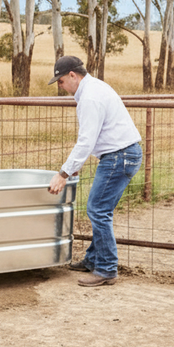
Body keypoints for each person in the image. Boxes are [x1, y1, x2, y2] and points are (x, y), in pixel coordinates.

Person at [47, 55, 142, 287]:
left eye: (60, 81)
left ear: (72, 75)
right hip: (124, 154)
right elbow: (94, 137)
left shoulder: (89, 97)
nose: (60, 87)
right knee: (101, 208)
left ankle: (107, 269)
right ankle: (93, 260)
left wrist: (64, 173)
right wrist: (76, 166)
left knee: (97, 209)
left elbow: (86, 141)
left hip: (119, 156)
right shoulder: (94, 88)